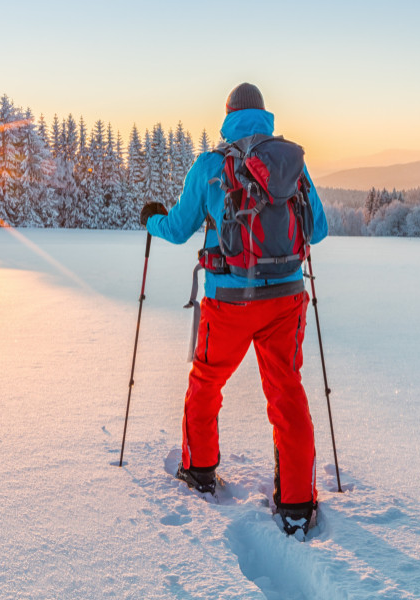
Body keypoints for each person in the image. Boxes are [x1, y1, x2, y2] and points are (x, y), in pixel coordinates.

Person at [139, 83, 328, 535]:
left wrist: (151, 219)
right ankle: (297, 501)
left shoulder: (210, 165)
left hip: (228, 302)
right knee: (287, 392)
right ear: (264, 116)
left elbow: (181, 227)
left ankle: (200, 470)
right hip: (286, 300)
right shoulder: (291, 165)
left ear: (228, 116)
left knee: (205, 383)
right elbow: (317, 230)